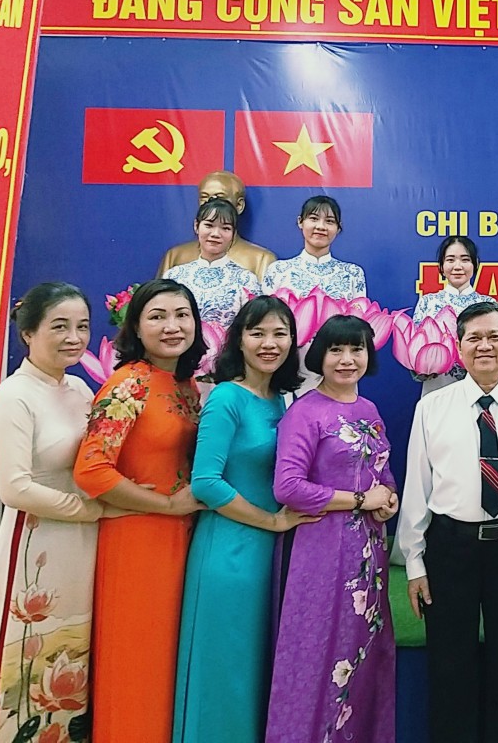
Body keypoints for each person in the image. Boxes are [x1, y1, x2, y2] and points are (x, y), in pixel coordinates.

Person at [0, 284, 112, 743]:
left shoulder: (80, 388)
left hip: (85, 544)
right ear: (28, 332)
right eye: (60, 326)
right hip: (36, 543)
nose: (74, 337)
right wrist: (92, 512)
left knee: (73, 649)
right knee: (26, 655)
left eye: (82, 326)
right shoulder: (13, 396)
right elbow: (15, 488)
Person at [173, 296, 319, 743]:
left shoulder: (283, 400)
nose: (269, 343)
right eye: (258, 333)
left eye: (280, 334)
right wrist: (271, 522)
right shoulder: (226, 397)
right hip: (229, 554)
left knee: (258, 671)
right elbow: (206, 483)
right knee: (226, 670)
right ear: (239, 340)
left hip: (270, 556)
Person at [73, 279, 208, 743]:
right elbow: (92, 470)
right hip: (138, 543)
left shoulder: (186, 383)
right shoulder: (129, 382)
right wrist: (166, 504)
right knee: (137, 667)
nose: (172, 326)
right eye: (157, 316)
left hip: (180, 540)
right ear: (135, 326)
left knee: (167, 667)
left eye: (182, 315)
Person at [397, 301, 498, 743]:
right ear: (458, 347)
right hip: (450, 547)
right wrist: (415, 563)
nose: (485, 346)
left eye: (494, 336)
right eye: (474, 338)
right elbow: (417, 486)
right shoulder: (432, 407)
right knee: (449, 665)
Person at [267, 315, 399, 743]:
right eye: (336, 350)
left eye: (356, 349)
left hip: (369, 557)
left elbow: (380, 472)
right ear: (318, 357)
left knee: (363, 653)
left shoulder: (368, 409)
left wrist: (388, 498)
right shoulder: (305, 413)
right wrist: (360, 501)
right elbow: (288, 487)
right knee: (318, 654)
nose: (347, 359)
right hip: (321, 553)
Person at [411, 235, 495, 396]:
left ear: (475, 264)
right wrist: (423, 368)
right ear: (441, 266)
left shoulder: (488, 304)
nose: (458, 266)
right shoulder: (428, 302)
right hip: (436, 387)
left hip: (479, 386)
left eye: (465, 260)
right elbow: (415, 349)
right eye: (450, 260)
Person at [164, 197, 263, 328]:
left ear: (233, 234)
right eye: (209, 225)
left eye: (225, 228)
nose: (216, 234)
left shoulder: (246, 280)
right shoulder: (174, 276)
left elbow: (253, 326)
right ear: (196, 226)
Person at [159, 171, 276, 278]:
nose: (212, 203)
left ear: (239, 205)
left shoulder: (261, 259)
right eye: (204, 197)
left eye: (220, 197)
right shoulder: (175, 256)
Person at [261, 195, 368, 301]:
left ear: (338, 228)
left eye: (329, 221)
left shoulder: (353, 273)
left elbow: (358, 310)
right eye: (314, 219)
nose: (321, 227)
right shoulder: (278, 270)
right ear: (300, 222)